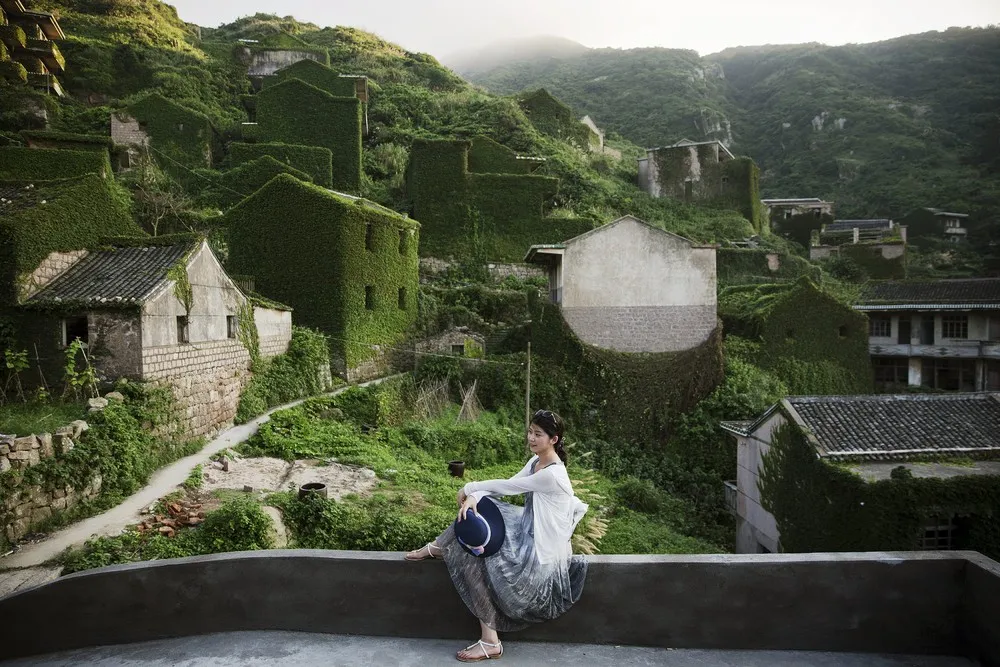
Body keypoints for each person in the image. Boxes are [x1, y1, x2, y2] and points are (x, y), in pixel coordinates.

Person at [405, 409, 589, 662]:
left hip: (537, 553)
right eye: (530, 432)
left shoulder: (552, 475)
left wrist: (470, 488)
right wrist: (473, 496)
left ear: (553, 440)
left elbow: (508, 487)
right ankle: (439, 547)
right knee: (475, 513)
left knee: (472, 563)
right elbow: (504, 486)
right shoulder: (536, 462)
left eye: (538, 434)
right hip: (526, 533)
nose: (531, 438)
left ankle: (489, 642)